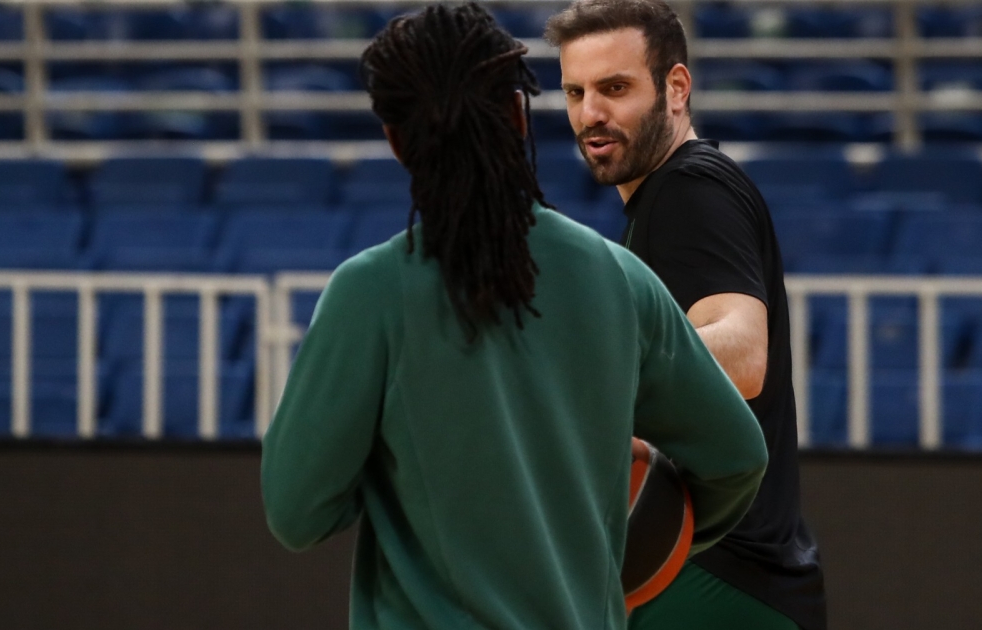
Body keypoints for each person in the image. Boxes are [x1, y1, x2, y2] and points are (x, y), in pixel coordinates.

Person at [260, 4, 768, 629]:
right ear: (519, 114)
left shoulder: (369, 292)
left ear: (395, 141)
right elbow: (736, 457)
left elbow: (297, 513)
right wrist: (624, 548)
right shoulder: (618, 277)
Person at [546, 1, 828, 629]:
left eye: (615, 88)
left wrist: (584, 374)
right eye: (575, 92)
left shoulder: (689, 189)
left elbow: (743, 354)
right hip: (722, 578)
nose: (590, 114)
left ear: (676, 88)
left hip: (717, 575)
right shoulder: (669, 196)